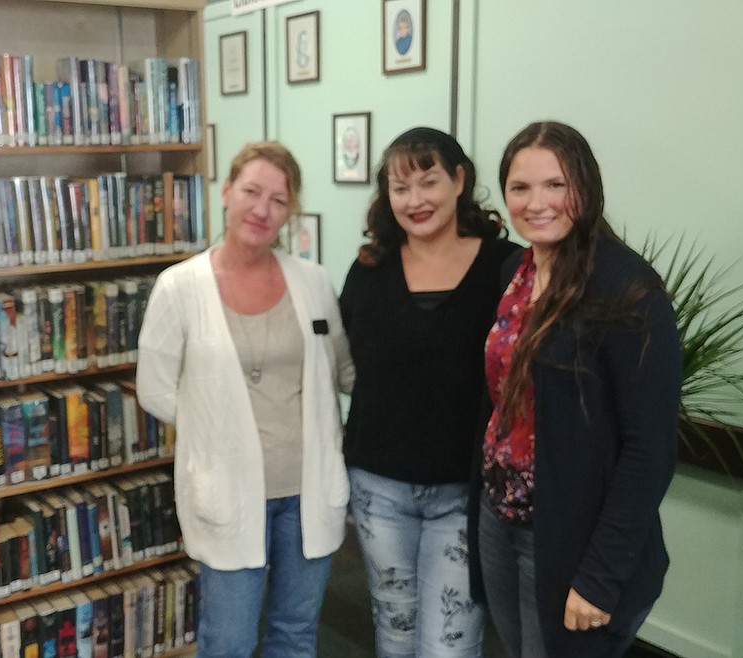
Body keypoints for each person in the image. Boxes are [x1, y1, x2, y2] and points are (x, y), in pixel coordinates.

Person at [136, 141, 354, 658]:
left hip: (306, 492)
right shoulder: (180, 287)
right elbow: (155, 389)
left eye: (278, 200)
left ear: (290, 211)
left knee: (295, 635)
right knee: (228, 642)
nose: (262, 210)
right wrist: (217, 430)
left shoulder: (313, 282)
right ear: (227, 191)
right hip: (229, 493)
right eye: (252, 192)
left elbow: (341, 370)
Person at [474, 121, 681, 658]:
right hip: (502, 521)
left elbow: (650, 449)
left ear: (585, 189)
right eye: (520, 187)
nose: (536, 202)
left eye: (555, 185)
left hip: (574, 539)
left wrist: (600, 577)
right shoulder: (514, 272)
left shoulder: (628, 290)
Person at [340, 126, 519, 657]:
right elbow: (346, 365)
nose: (415, 200)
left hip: (464, 492)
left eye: (428, 180)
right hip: (378, 484)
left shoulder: (506, 268)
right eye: (400, 187)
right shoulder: (369, 270)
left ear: (459, 179)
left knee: (449, 644)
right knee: (394, 633)